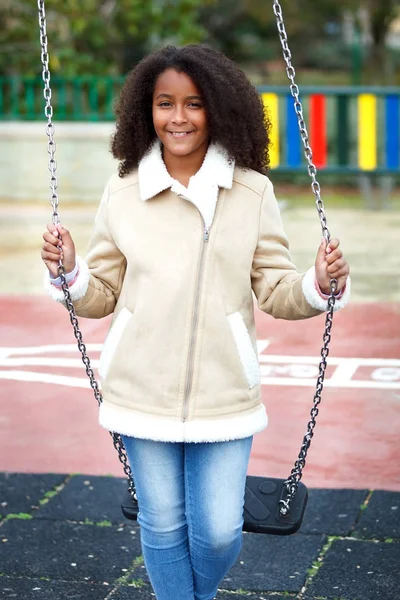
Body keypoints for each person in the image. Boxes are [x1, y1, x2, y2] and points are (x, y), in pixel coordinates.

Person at [41, 45, 350, 600]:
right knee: (161, 525)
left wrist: (318, 285)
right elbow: (102, 294)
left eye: (193, 104)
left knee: (216, 533)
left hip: (224, 392)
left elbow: (275, 289)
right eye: (165, 104)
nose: (177, 118)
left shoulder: (252, 191)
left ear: (219, 110)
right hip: (140, 388)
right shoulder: (125, 191)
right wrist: (70, 271)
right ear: (146, 111)